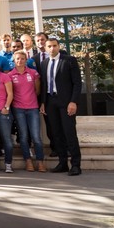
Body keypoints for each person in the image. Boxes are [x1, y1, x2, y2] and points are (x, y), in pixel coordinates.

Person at [40, 38, 83, 176]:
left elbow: (77, 83)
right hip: (50, 102)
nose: (52, 49)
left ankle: (76, 165)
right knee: (56, 134)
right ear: (45, 48)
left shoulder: (69, 60)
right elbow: (43, 85)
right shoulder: (44, 63)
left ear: (59, 46)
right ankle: (62, 163)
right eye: (49, 46)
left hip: (66, 102)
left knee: (69, 133)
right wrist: (43, 103)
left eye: (54, 46)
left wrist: (73, 101)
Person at [9, 50, 46, 172]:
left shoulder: (33, 73)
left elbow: (38, 90)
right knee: (24, 136)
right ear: (14, 61)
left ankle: (40, 162)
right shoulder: (10, 75)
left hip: (32, 108)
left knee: (36, 137)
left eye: (22, 58)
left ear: (26, 60)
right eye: (17, 59)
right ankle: (28, 161)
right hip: (18, 109)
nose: (20, 61)